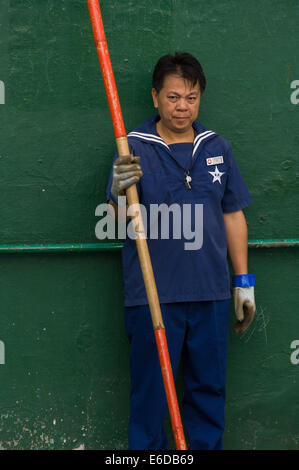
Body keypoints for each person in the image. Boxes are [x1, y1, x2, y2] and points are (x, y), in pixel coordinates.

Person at [106, 52, 256, 450]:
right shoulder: (132, 148)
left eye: (191, 97)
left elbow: (233, 216)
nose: (182, 107)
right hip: (154, 297)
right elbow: (117, 221)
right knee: (151, 397)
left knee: (209, 392)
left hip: (210, 294)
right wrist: (120, 191)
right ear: (155, 97)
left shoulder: (216, 147)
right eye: (173, 97)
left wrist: (243, 283)